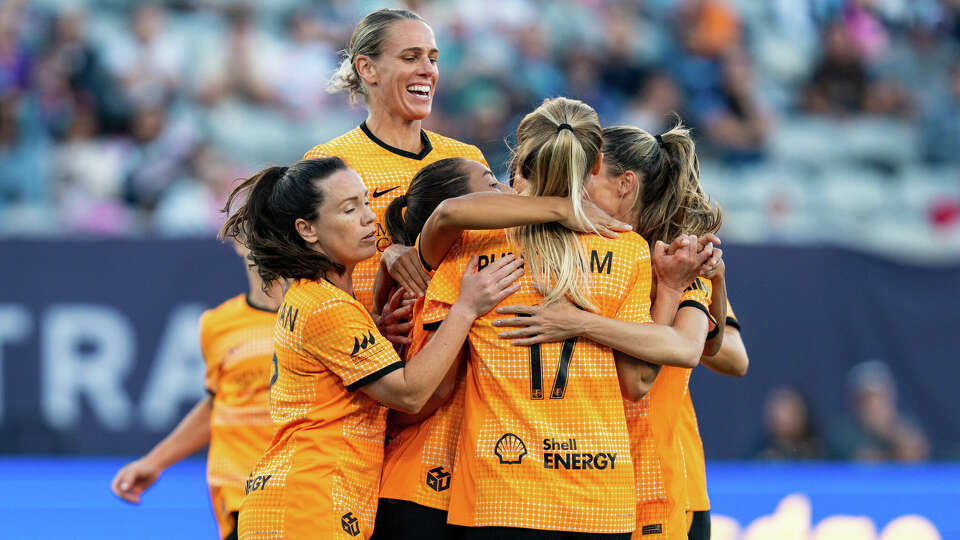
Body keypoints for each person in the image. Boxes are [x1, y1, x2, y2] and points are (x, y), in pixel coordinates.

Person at [418, 97, 712, 539]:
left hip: (500, 492)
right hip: (600, 499)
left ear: (521, 158)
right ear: (594, 163)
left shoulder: (473, 245)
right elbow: (637, 383)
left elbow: (435, 388)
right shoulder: (627, 249)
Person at [219, 157, 516, 540]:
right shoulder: (329, 307)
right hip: (310, 502)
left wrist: (375, 334)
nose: (368, 218)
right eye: (348, 209)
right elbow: (410, 394)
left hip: (308, 497)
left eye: (364, 201)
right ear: (307, 230)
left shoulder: (317, 298)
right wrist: (465, 308)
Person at [492, 122, 727, 539]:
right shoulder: (571, 250)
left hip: (651, 479)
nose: (574, 193)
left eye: (587, 178)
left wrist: (580, 322)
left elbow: (690, 353)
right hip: (578, 481)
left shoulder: (681, 258)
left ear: (625, 184)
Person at [305, 8, 488, 315]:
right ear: (367, 68)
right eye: (410, 57)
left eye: (433, 58)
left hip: (460, 353)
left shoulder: (468, 158)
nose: (427, 69)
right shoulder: (329, 163)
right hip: (371, 355)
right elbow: (304, 288)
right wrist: (373, 325)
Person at [375, 157, 516, 539]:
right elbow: (423, 395)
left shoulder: (462, 269)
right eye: (491, 185)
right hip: (422, 483)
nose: (507, 194)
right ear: (453, 208)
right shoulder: (432, 281)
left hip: (457, 488)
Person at [110, 240, 282, 540]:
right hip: (242, 493)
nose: (266, 234)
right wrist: (155, 461)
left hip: (304, 490)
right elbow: (220, 402)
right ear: (239, 241)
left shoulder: (318, 312)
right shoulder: (217, 324)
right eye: (257, 224)